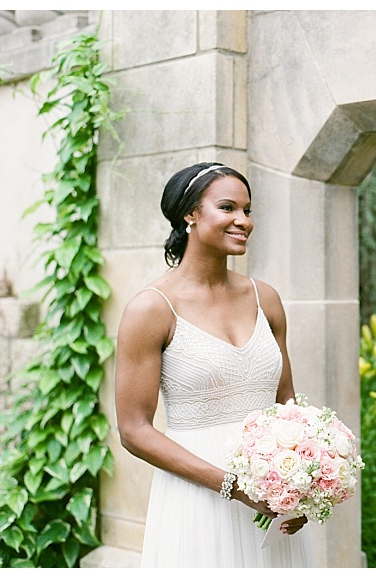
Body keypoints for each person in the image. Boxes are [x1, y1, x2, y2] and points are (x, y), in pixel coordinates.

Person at [114, 162, 313, 566]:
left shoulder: (265, 298)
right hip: (197, 500)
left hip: (274, 499)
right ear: (190, 213)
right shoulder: (151, 308)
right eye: (228, 208)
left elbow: (286, 403)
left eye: (248, 210)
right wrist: (233, 487)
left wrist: (305, 483)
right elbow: (133, 430)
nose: (244, 221)